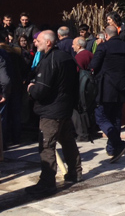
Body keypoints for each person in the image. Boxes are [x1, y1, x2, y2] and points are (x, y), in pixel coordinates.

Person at [26, 30, 82, 196]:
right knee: (67, 141)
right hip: (65, 108)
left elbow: (42, 89)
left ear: (48, 42)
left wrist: (31, 89)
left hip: (51, 110)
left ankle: (47, 182)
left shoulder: (50, 60)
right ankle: (75, 172)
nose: (36, 43)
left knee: (46, 145)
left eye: (39, 41)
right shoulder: (66, 57)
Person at [89, 25, 125, 163]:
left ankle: (118, 144)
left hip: (105, 88)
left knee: (101, 118)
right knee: (115, 118)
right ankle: (113, 148)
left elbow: (93, 65)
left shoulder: (104, 47)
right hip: (122, 88)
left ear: (106, 35)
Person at [71, 37, 94, 142]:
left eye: (73, 44)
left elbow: (75, 72)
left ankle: (82, 134)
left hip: (81, 86)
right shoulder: (90, 54)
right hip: (90, 86)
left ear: (79, 46)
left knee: (79, 110)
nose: (72, 46)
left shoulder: (79, 57)